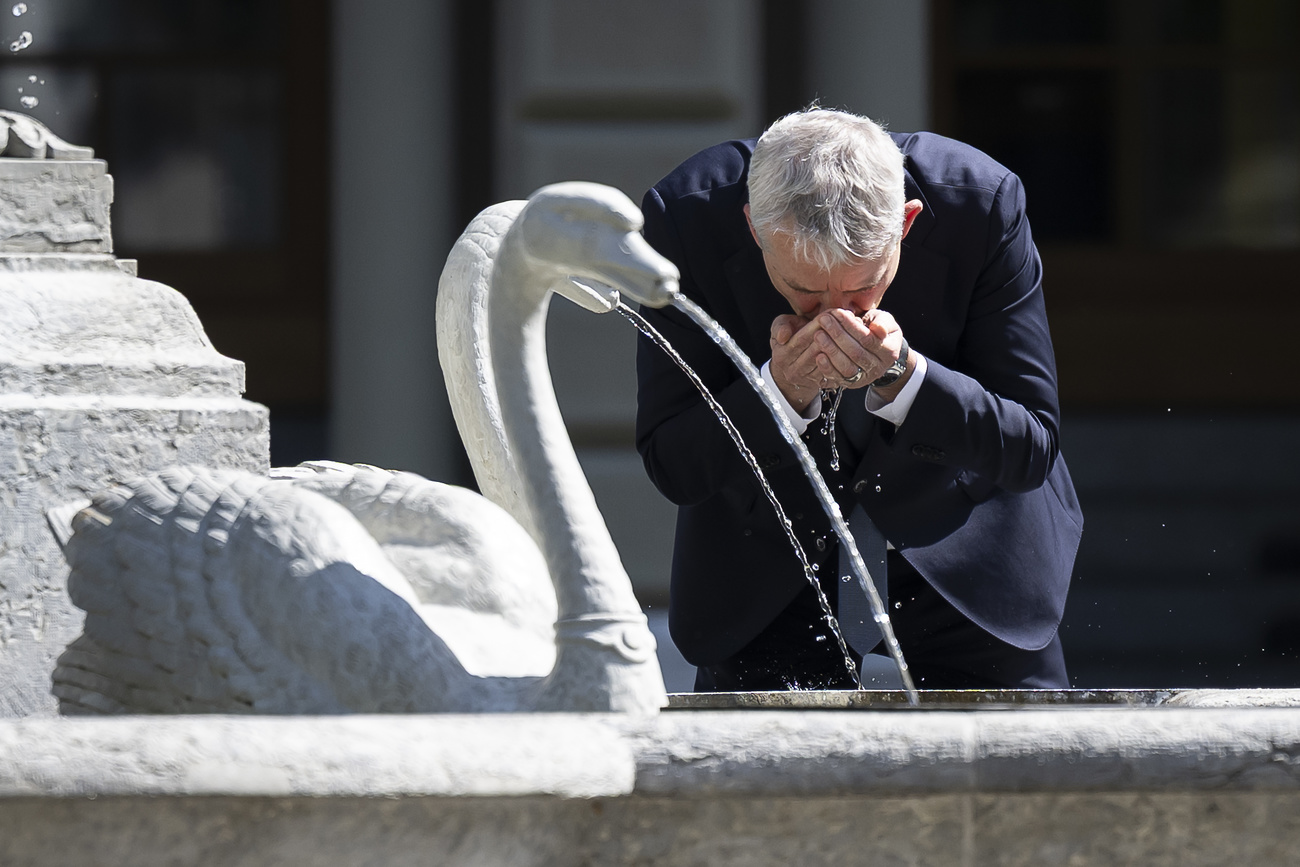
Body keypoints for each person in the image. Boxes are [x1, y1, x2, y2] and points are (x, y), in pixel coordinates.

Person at [634, 108, 1083, 691]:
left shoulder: (981, 201)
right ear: (753, 227)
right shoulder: (684, 218)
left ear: (906, 223)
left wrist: (906, 376)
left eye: (860, 287)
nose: (835, 318)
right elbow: (675, 463)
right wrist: (780, 393)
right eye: (803, 291)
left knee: (1027, 775)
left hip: (965, 547)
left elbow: (1029, 445)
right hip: (769, 566)